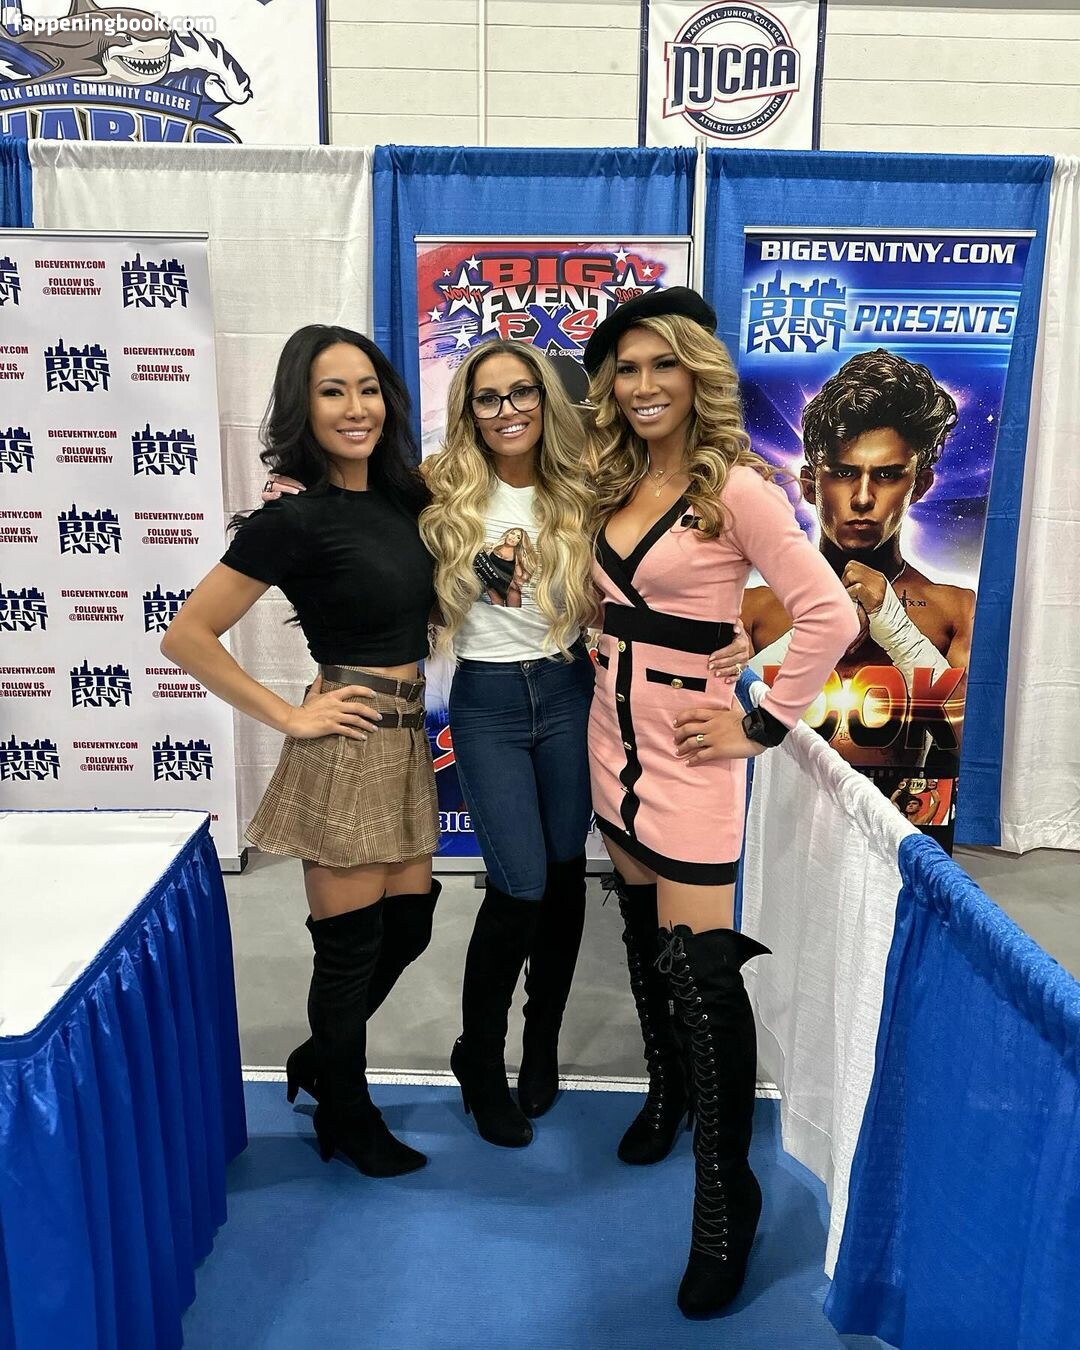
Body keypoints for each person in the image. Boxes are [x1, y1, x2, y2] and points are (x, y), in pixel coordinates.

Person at [265, 337, 750, 1152]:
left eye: (522, 392)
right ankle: (479, 1059)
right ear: (468, 410)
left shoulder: (589, 485)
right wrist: (294, 500)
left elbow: (673, 554)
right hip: (486, 700)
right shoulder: (434, 485)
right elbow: (346, 510)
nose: (507, 411)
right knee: (519, 885)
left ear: (545, 399)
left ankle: (543, 1042)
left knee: (562, 879)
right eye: (487, 398)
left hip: (568, 689)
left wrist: (733, 629)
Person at [582, 288, 858, 1317]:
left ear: (698, 375)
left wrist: (764, 722)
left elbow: (827, 613)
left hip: (692, 754)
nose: (643, 384)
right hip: (610, 739)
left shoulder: (737, 486)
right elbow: (629, 597)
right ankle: (666, 1093)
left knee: (703, 976)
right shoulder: (611, 476)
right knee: (644, 933)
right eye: (627, 367)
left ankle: (723, 1197)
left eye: (664, 364)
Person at [161, 324, 441, 1179]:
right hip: (346, 743)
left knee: (410, 925)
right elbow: (187, 636)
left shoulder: (407, 500)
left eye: (368, 388)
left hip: (406, 742)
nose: (356, 408)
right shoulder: (290, 521)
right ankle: (348, 1113)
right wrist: (288, 715)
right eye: (332, 391)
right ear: (302, 407)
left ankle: (319, 1060)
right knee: (349, 949)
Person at [744, 348, 973, 773]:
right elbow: (712, 723)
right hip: (773, 815)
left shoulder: (955, 611)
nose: (863, 498)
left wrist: (895, 627)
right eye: (844, 472)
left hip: (901, 814)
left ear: (920, 485)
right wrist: (816, 633)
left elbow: (973, 751)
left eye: (887, 475)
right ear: (810, 484)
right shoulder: (755, 611)